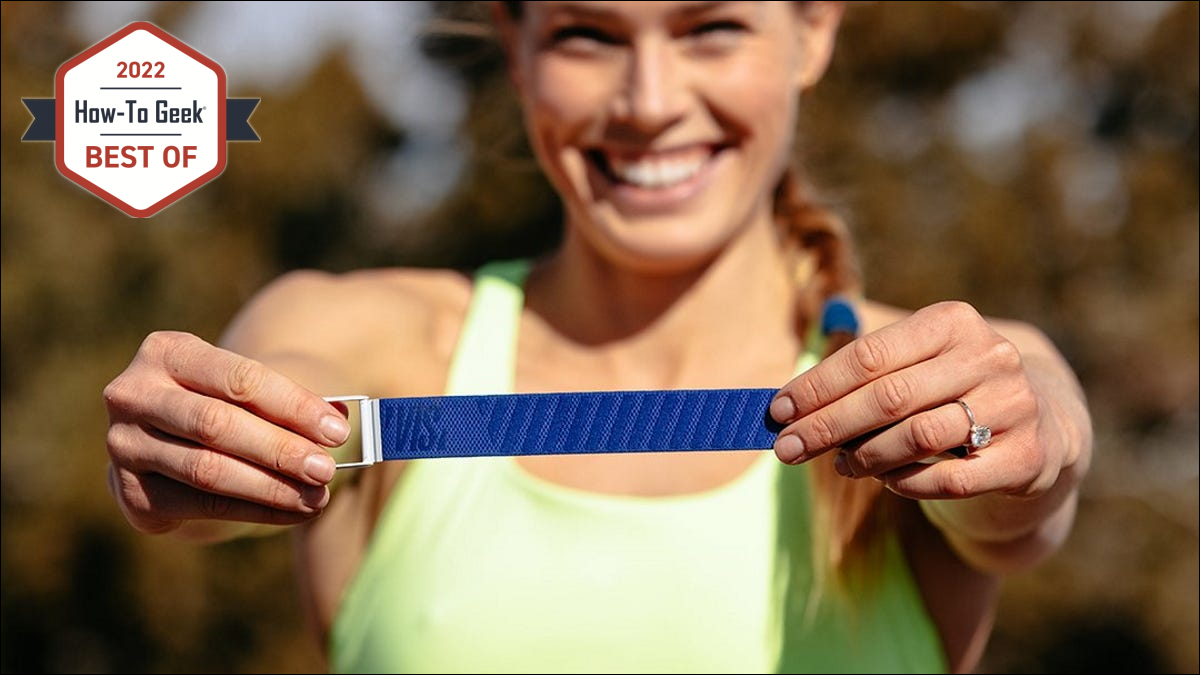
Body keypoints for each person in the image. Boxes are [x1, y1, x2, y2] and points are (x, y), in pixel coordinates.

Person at [103, 2, 1093, 672]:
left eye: (711, 27)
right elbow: (274, 398)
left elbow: (1024, 482)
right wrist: (205, 440)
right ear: (516, 41)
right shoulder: (373, 336)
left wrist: (1035, 431)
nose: (650, 101)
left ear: (813, 29)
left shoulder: (932, 382)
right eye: (586, 35)